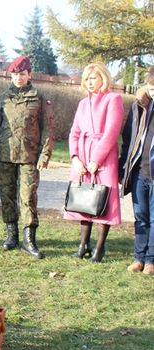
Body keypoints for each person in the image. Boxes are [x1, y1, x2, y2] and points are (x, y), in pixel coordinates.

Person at [0, 55, 55, 259]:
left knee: (28, 197)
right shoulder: (3, 98)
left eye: (22, 74)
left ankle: (29, 239)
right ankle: (11, 235)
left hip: (29, 157)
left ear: (29, 74)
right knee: (6, 196)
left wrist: (45, 156)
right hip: (4, 156)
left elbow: (49, 129)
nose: (18, 78)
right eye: (15, 74)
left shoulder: (39, 97)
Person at [64, 62, 124, 262]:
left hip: (104, 156)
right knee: (83, 199)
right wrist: (75, 159)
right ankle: (83, 244)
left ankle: (99, 248)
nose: (90, 82)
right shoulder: (82, 104)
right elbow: (74, 133)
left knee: (102, 199)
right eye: (87, 79)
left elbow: (111, 133)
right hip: (82, 153)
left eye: (93, 78)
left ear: (103, 78)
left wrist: (96, 160)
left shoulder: (113, 99)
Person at [118, 69, 154, 275]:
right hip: (140, 172)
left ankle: (150, 261)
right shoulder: (138, 106)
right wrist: (124, 167)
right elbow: (128, 140)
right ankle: (138, 258)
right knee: (140, 216)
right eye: (151, 89)